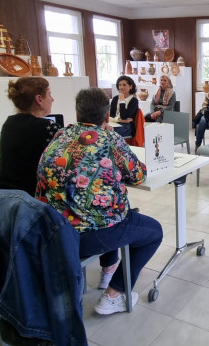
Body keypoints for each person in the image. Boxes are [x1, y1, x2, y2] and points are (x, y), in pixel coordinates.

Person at [37, 87, 163, 315]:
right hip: (89, 235)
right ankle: (114, 294)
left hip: (53, 230)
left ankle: (109, 270)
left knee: (111, 211)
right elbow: (137, 175)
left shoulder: (60, 135)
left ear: (77, 114)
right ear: (107, 116)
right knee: (153, 231)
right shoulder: (110, 138)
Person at [0, 77, 59, 195]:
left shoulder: (9, 123)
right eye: (49, 95)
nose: (52, 99)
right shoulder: (47, 127)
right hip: (31, 199)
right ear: (39, 99)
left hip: (4, 197)